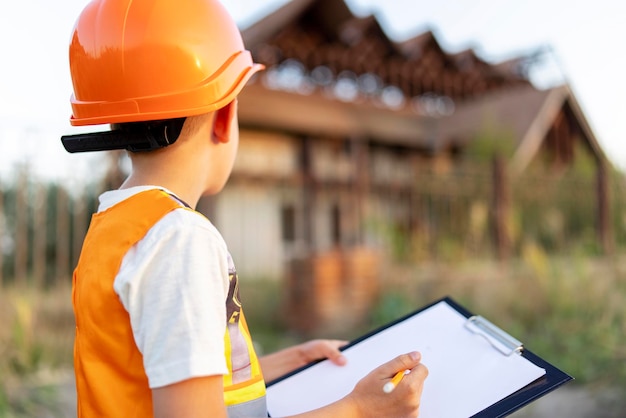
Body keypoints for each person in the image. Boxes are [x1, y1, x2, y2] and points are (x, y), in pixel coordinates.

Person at [61, 0, 429, 417]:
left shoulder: (116, 227)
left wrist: (286, 365)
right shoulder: (179, 239)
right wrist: (361, 411)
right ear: (224, 115)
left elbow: (163, 375)